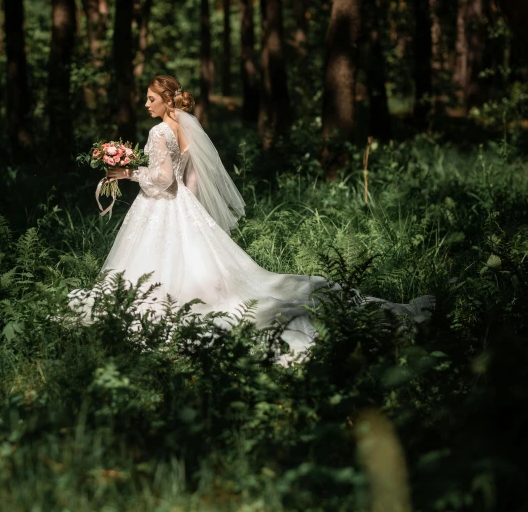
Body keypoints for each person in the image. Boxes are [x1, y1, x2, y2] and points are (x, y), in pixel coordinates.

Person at [70, 75, 433, 364]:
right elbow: (190, 178)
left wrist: (127, 174)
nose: (146, 104)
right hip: (183, 206)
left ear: (166, 99)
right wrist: (191, 210)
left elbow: (163, 180)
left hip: (162, 206)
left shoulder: (159, 131)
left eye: (151, 98)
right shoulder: (184, 126)